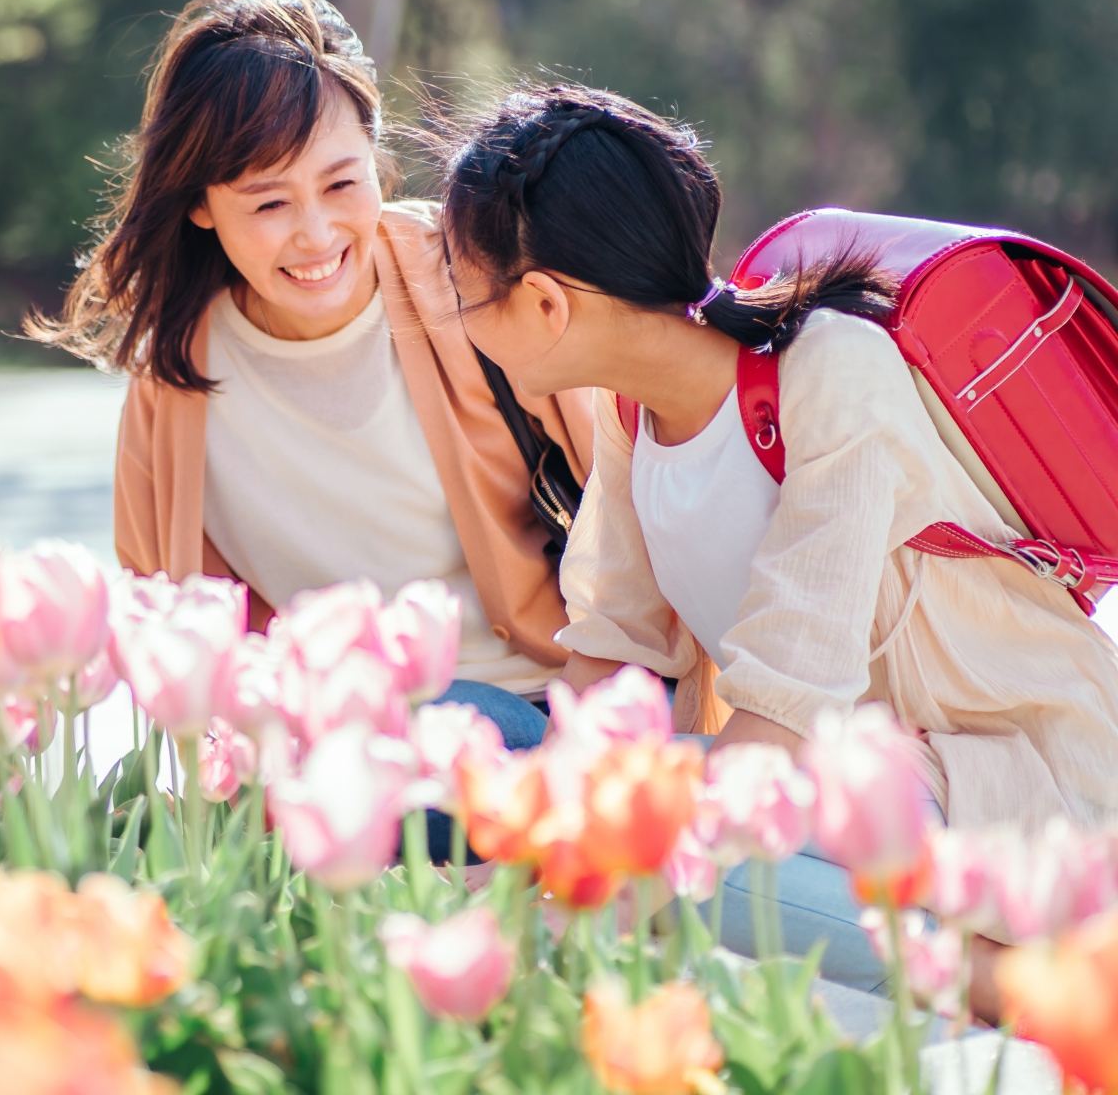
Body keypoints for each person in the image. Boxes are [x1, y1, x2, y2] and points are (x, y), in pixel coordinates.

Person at [436, 82, 1118, 1006]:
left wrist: (567, 871)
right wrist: (527, 861)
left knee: (689, 860)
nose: (458, 318)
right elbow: (613, 669)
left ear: (548, 305)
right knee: (618, 817)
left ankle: (1019, 985)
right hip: (856, 793)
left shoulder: (830, 370)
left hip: (1014, 784)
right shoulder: (632, 418)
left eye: (466, 292)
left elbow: (776, 732)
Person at [31, 0, 597, 790]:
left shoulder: (474, 283)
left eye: (341, 183)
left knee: (419, 744)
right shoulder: (175, 383)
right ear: (201, 207)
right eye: (268, 204)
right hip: (319, 748)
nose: (317, 234)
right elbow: (170, 625)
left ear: (377, 159)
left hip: (533, 707)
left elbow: (630, 505)